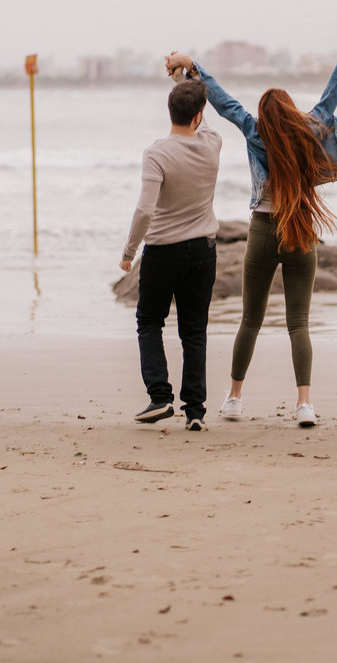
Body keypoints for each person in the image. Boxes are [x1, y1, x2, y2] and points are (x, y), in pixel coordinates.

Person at [165, 11, 337, 428]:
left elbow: (223, 100)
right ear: (290, 113)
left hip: (264, 232)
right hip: (302, 232)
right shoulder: (311, 129)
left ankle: (234, 398)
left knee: (250, 319)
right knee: (298, 323)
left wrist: (192, 67)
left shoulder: (255, 132)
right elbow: (335, 87)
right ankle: (304, 404)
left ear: (266, 117)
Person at [120, 78, 221, 431]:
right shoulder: (212, 145)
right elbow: (204, 121)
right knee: (193, 331)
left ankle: (160, 397)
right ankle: (195, 410)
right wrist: (186, 78)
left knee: (149, 322)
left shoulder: (157, 153)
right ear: (198, 115)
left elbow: (145, 211)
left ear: (170, 112)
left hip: (162, 251)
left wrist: (129, 251)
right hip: (203, 252)